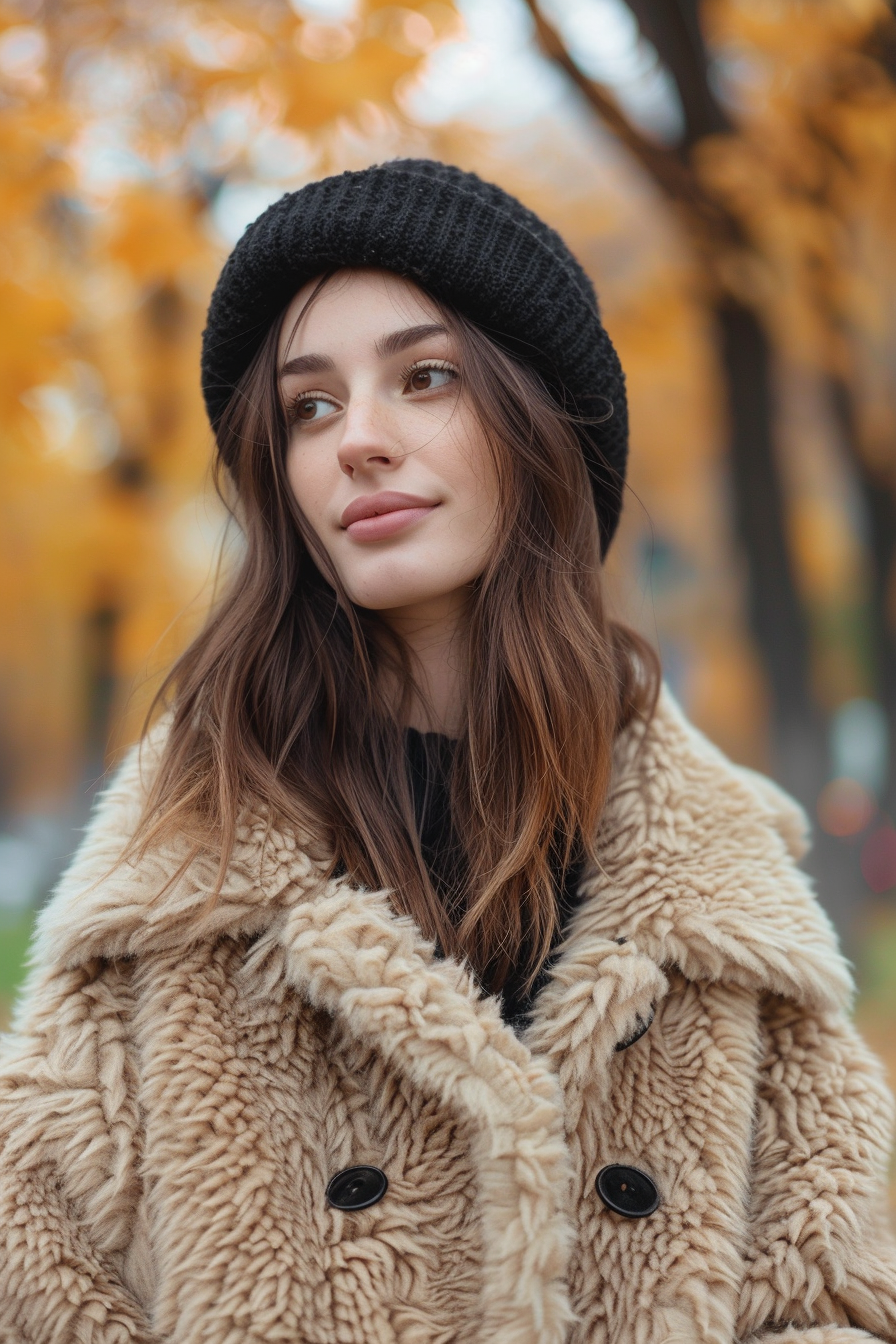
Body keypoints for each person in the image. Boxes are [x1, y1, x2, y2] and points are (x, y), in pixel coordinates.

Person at [1, 159, 894, 1344]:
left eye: (424, 379)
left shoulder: (725, 914)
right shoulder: (171, 902)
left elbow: (839, 1298)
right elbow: (42, 1290)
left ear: (540, 423)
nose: (355, 442)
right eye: (308, 408)